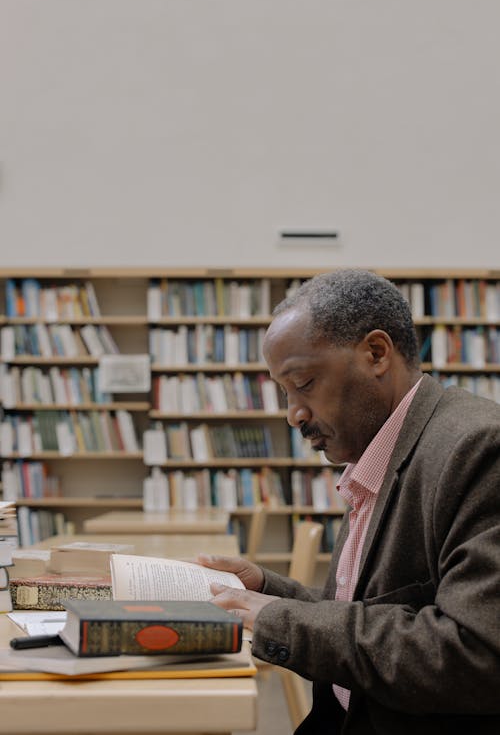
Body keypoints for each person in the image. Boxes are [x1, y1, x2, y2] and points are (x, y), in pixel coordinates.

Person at [199, 268, 500, 735]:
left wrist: (278, 620)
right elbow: (366, 611)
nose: (293, 413)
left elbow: (475, 654)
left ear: (376, 353)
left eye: (304, 383)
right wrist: (265, 591)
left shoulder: (477, 448)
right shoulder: (381, 449)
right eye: (285, 392)